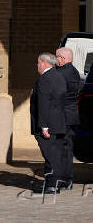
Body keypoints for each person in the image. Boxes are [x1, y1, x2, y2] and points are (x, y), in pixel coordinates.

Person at [30, 53, 67, 194]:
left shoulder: (45, 79)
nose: (37, 65)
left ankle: (51, 185)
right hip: (58, 123)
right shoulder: (59, 77)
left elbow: (44, 103)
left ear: (44, 63)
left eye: (38, 62)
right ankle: (55, 184)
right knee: (55, 154)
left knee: (49, 155)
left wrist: (44, 126)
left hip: (48, 125)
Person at [56, 47, 80, 190]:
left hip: (62, 116)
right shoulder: (75, 72)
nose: (55, 60)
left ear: (63, 59)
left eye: (57, 57)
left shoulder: (60, 73)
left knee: (59, 149)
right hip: (72, 115)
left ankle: (61, 179)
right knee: (68, 149)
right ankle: (68, 180)